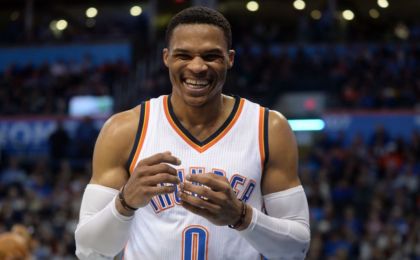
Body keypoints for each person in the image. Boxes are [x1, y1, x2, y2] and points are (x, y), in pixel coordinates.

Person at [75, 6, 310, 260]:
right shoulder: (124, 130)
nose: (197, 67)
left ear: (230, 58)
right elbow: (89, 252)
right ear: (166, 57)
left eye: (211, 56)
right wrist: (125, 202)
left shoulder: (268, 128)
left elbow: (295, 250)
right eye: (183, 55)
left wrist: (241, 216)